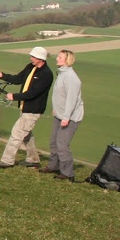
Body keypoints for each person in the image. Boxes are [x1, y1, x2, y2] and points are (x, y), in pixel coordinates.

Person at [0, 46, 53, 169]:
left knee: (17, 132)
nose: (31, 58)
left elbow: (33, 93)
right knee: (26, 134)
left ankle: (7, 160)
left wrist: (14, 96)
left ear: (41, 59)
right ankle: (33, 159)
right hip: (25, 107)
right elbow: (18, 79)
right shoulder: (30, 67)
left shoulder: (46, 74)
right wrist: (1, 75)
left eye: (33, 57)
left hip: (34, 109)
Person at [39, 49, 84, 182]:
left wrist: (66, 117)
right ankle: (53, 166)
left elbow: (71, 100)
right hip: (60, 114)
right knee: (53, 141)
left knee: (62, 144)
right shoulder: (62, 74)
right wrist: (56, 110)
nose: (57, 59)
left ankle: (68, 173)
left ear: (67, 60)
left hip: (70, 117)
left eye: (60, 57)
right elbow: (59, 95)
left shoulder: (72, 78)